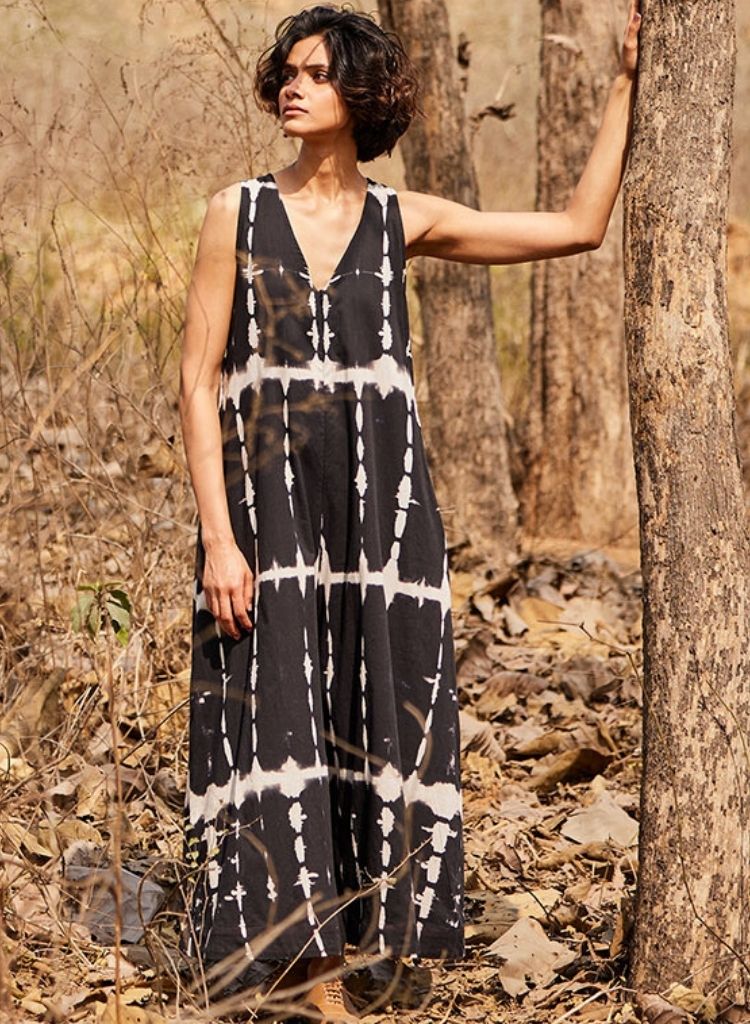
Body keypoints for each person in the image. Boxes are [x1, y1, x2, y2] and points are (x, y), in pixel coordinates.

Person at [178, 2, 641, 1020]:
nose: (293, 87)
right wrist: (219, 536)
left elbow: (577, 227)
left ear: (362, 95)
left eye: (318, 74)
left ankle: (366, 946)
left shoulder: (404, 220)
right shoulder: (234, 213)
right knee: (276, 715)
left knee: (379, 714)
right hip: (268, 519)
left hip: (383, 527)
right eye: (286, 71)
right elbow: (196, 380)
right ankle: (292, 972)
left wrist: (620, 85)